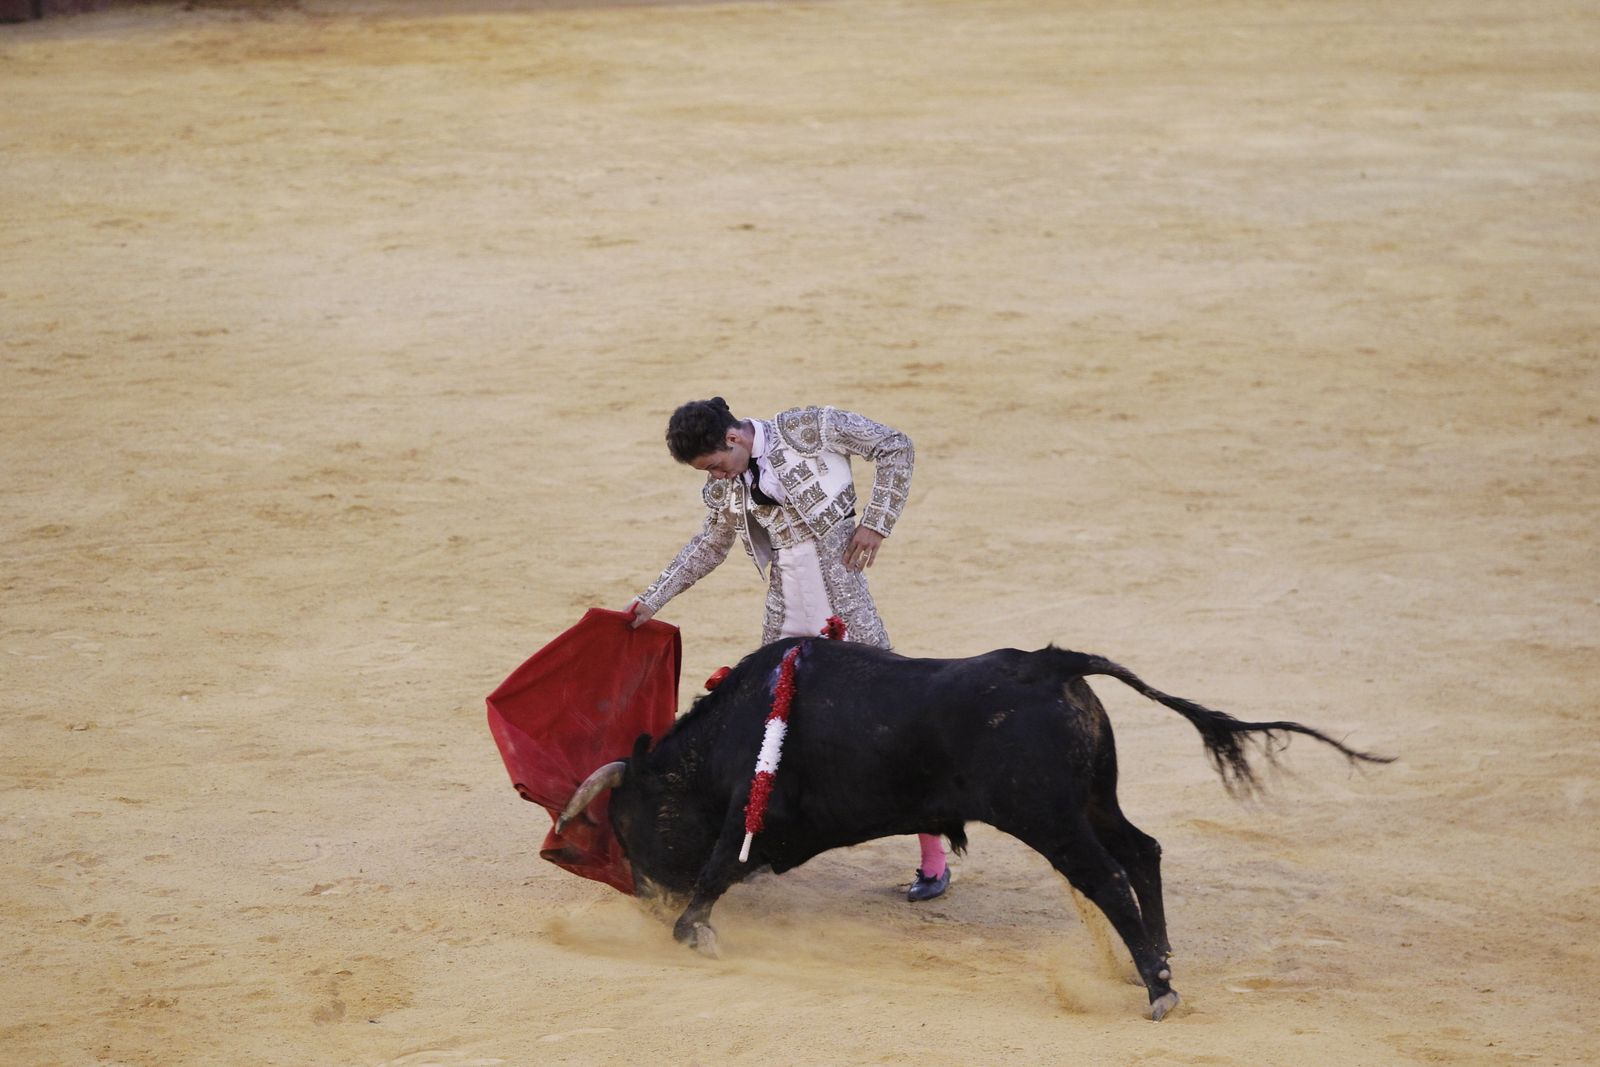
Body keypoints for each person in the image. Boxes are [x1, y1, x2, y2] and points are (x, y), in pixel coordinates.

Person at [624, 397, 950, 902]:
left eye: (713, 465)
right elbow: (710, 545)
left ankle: (933, 858)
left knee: (892, 726)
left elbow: (894, 445)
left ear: (732, 438)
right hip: (786, 609)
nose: (714, 477)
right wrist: (650, 599)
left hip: (844, 600)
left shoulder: (808, 427)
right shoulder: (725, 485)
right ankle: (756, 844)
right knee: (767, 728)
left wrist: (875, 522)